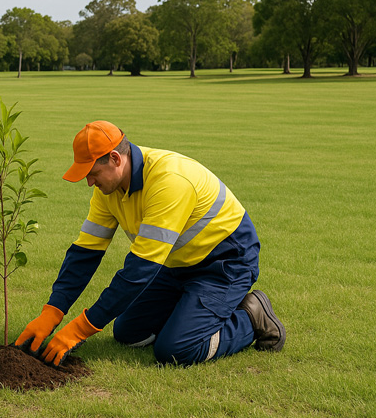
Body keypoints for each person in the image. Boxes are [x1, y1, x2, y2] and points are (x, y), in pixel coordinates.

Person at [15, 121, 285, 366]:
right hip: (176, 265)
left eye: (93, 173)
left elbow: (139, 271)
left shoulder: (169, 181)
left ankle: (252, 314)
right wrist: (53, 311)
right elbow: (85, 253)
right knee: (128, 333)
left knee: (176, 350)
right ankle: (190, 310)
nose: (89, 182)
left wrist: (80, 329)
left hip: (225, 264)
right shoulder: (107, 190)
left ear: (115, 158)